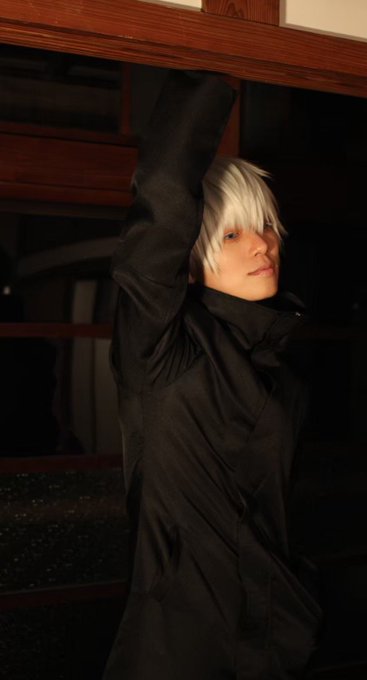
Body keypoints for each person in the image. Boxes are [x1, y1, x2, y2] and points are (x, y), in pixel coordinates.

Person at [103, 70, 322, 680]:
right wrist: (215, 63)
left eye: (267, 226)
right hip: (177, 648)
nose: (262, 245)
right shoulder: (164, 348)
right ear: (192, 257)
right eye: (232, 233)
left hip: (272, 644)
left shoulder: (280, 369)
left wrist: (300, 603)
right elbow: (163, 204)